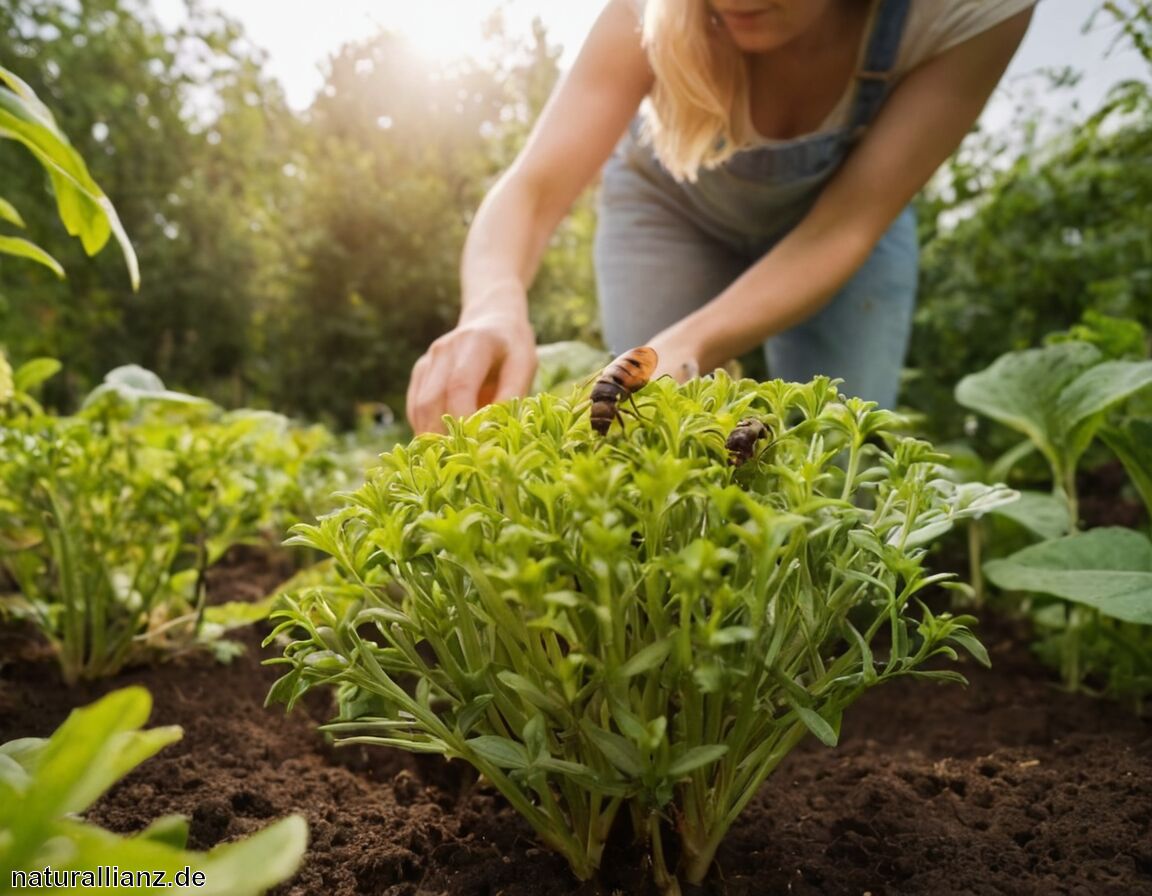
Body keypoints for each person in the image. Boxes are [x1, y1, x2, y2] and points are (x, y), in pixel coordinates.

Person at [406, 0, 1034, 434]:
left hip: (840, 220)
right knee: (649, 447)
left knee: (842, 456)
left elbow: (846, 226)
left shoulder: (970, 13)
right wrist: (492, 303)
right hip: (668, 207)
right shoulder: (644, 12)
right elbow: (533, 188)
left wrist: (691, 341)